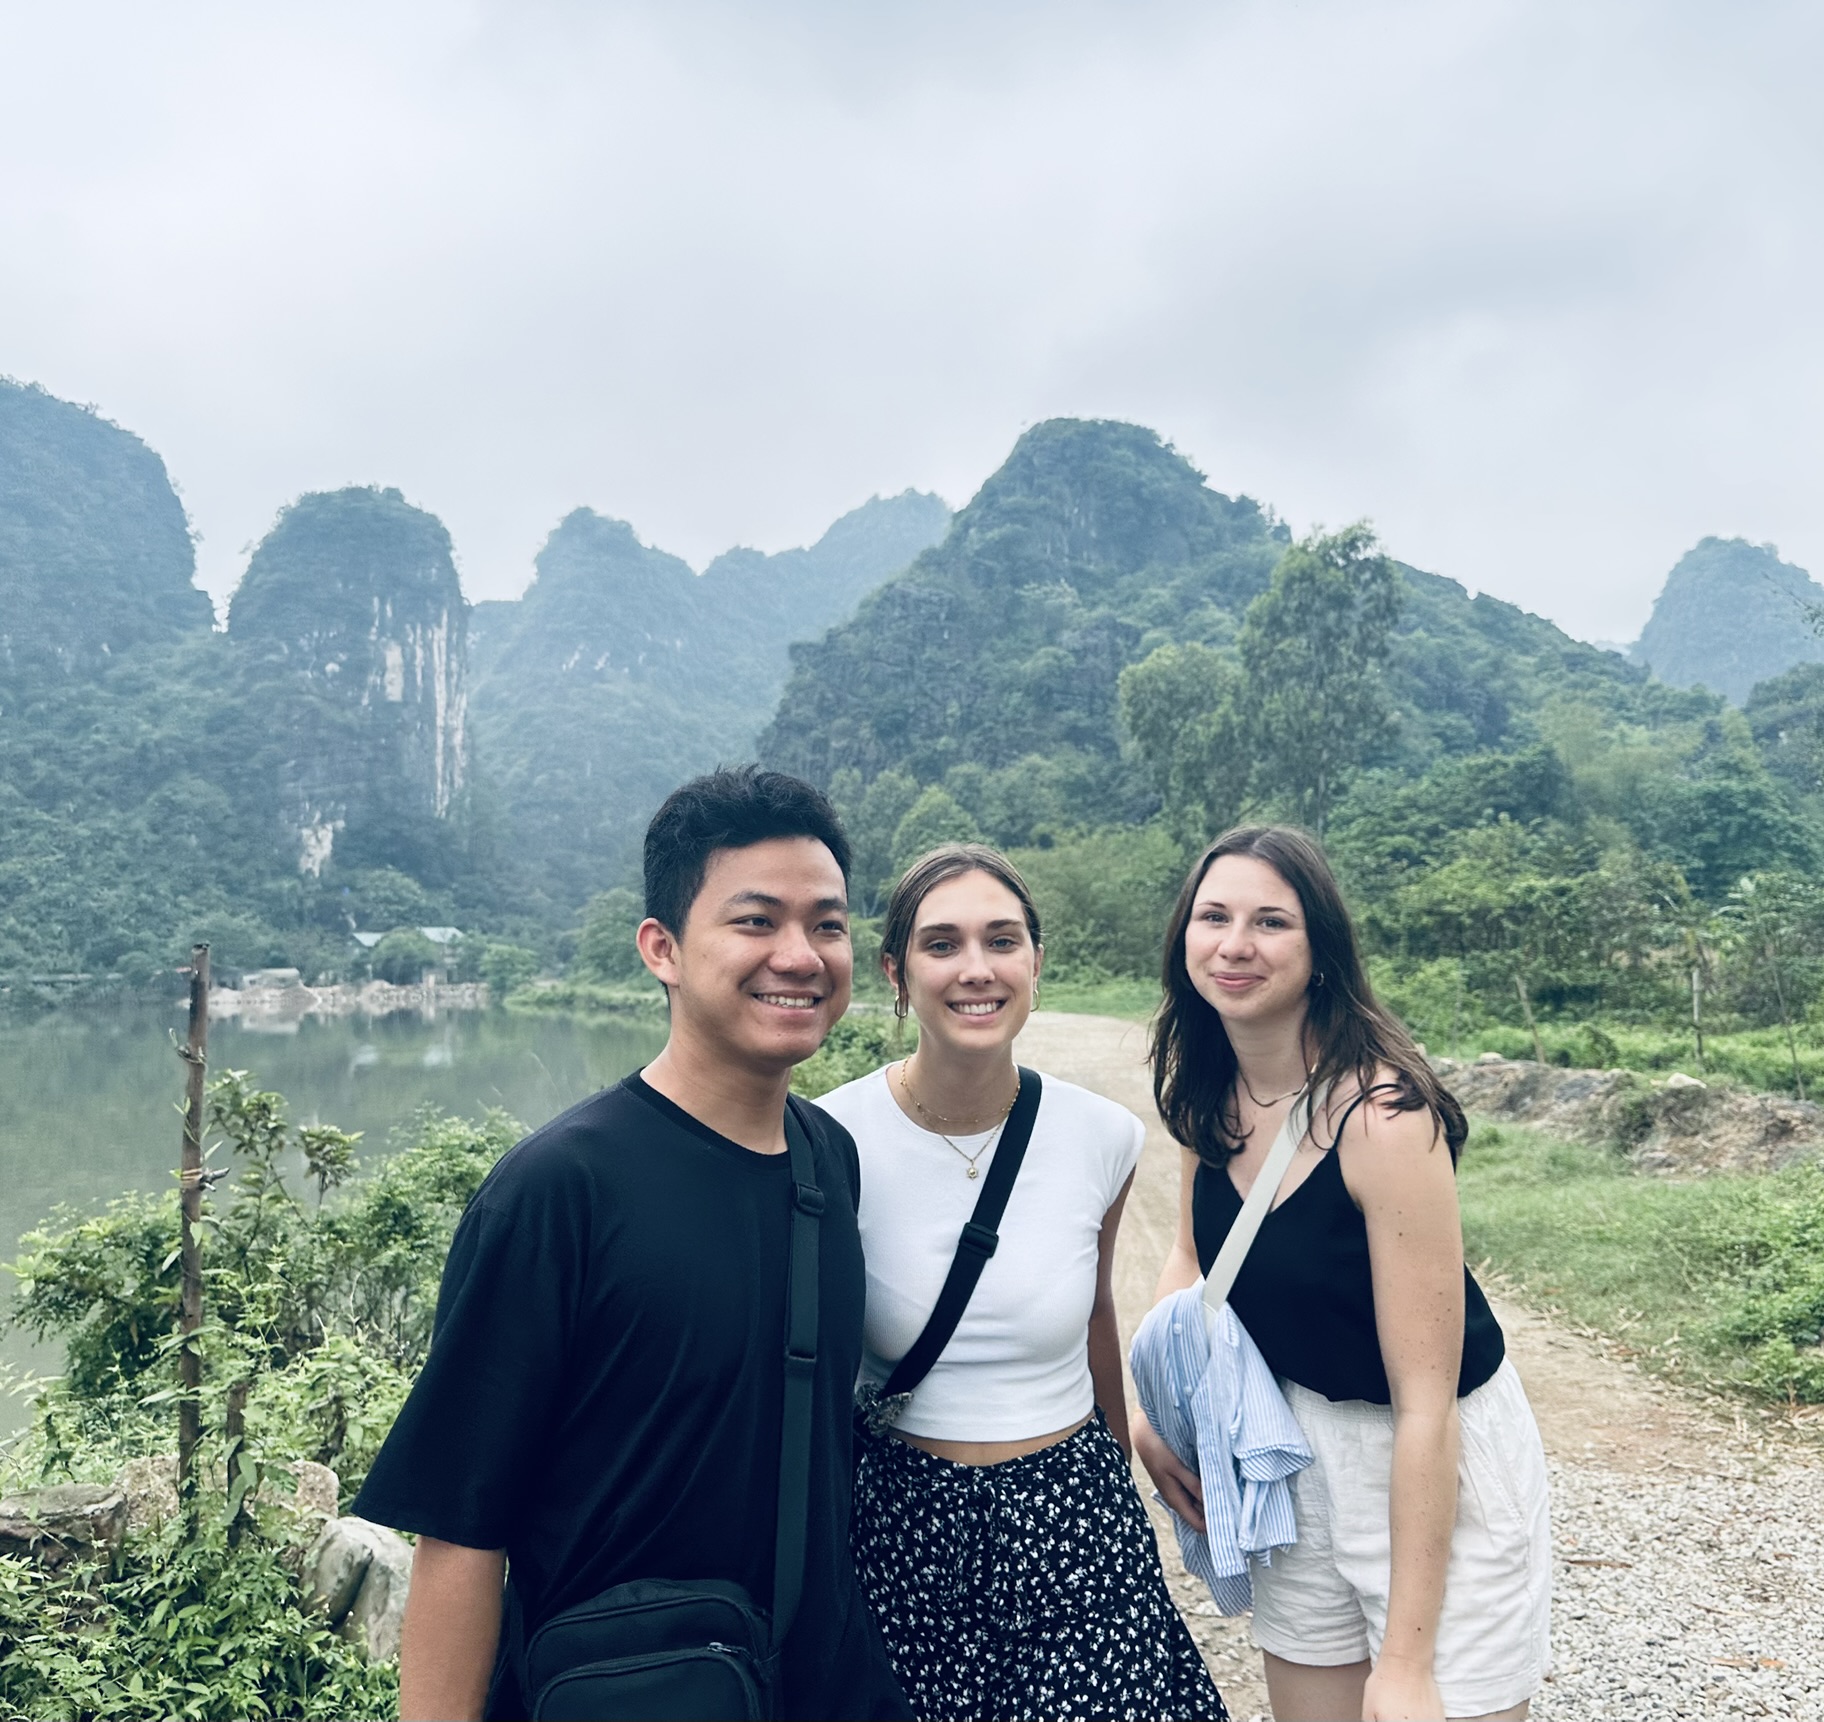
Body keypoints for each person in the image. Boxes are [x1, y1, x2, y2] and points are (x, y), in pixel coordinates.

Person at [352, 765, 909, 1722]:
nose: (801, 954)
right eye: (755, 921)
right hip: (624, 1693)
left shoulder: (831, 1159)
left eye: (827, 923)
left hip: (818, 1687)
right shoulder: (558, 1191)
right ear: (663, 949)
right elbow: (460, 1532)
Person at [1136, 826, 1551, 1722]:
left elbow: (1427, 1400)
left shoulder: (1384, 1119)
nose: (1235, 944)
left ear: (1320, 949)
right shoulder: (1205, 1088)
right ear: (1184, 939)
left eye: (1270, 921)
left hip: (1428, 1461)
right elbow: (1191, 1259)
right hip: (1289, 1447)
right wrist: (1151, 1412)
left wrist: (1403, 1663)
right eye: (1214, 917)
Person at [816, 843, 1227, 1722]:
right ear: (895, 971)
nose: (976, 969)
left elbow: (1096, 1317)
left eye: (1002, 941)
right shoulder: (828, 1141)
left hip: (1073, 1519)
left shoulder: (1102, 1137)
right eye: (942, 944)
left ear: (1037, 963)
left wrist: (1124, 1464)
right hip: (899, 1525)